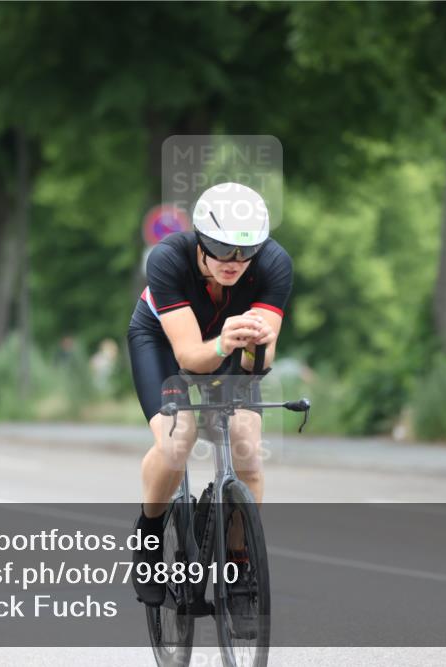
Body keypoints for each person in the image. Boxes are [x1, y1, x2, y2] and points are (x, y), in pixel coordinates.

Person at [126, 182, 293, 605]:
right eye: (221, 248)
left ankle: (238, 558)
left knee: (248, 449)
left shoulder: (274, 263)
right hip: (165, 342)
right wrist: (224, 343)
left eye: (245, 251)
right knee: (176, 440)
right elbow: (189, 356)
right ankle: (148, 534)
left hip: (229, 345)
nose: (234, 262)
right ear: (200, 237)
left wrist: (256, 344)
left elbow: (258, 365)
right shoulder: (167, 259)